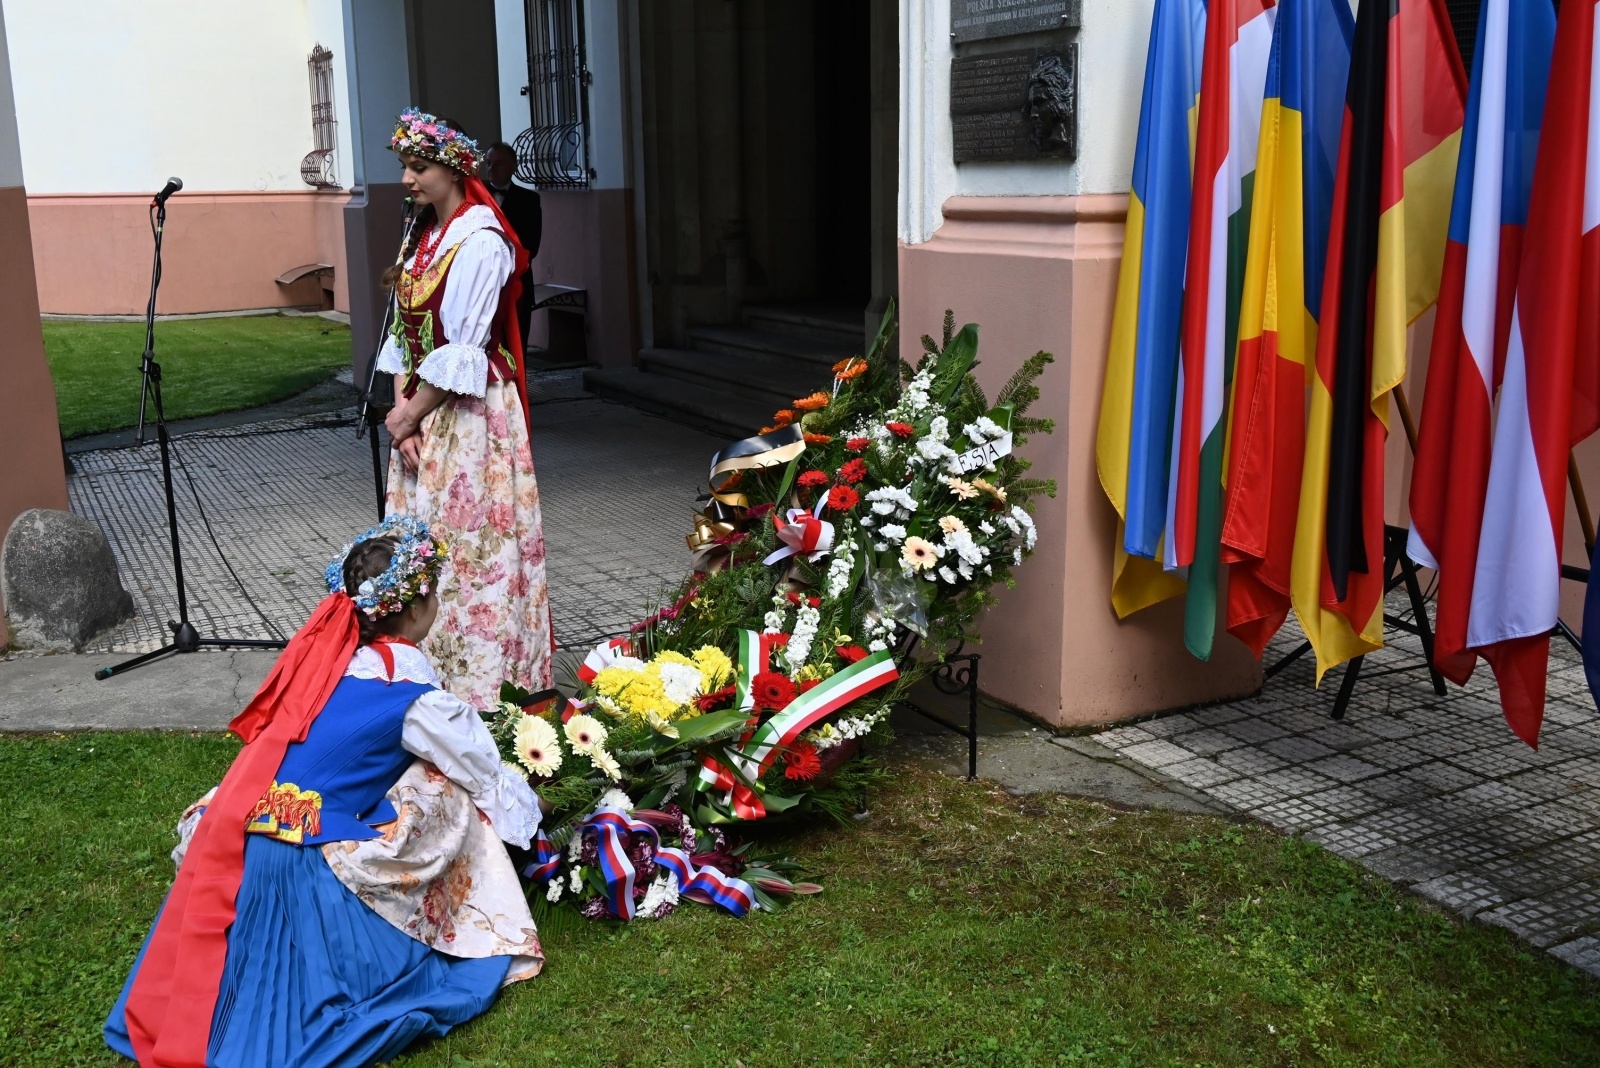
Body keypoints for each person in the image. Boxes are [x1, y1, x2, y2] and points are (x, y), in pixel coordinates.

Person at [105, 516, 544, 1068]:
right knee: (448, 789)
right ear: (414, 608)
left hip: (243, 843)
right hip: (308, 868)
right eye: (435, 596)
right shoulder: (414, 699)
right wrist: (536, 815)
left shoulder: (323, 671)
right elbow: (484, 777)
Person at [377, 108, 552, 708]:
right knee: (422, 547)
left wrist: (409, 414)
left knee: (472, 548)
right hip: (424, 414)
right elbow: (404, 335)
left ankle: (481, 684)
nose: (407, 178)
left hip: (470, 418)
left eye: (418, 167)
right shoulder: (424, 235)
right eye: (405, 165)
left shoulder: (481, 241)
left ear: (453, 171)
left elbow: (464, 351)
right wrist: (402, 414)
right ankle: (423, 673)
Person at [481, 140, 542, 340]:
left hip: (517, 281)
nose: (491, 168)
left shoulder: (529, 200)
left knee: (516, 341)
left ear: (513, 166)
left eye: (498, 163)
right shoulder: (476, 196)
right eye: (488, 163)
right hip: (483, 281)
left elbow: (532, 245)